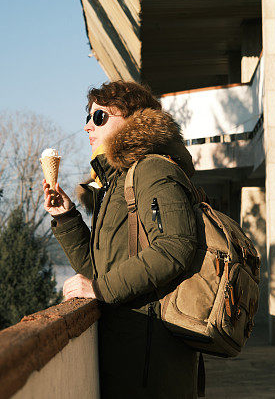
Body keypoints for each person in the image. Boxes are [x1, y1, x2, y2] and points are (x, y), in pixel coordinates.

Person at [42, 80, 200, 399]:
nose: (88, 125)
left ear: (132, 120)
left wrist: (101, 289)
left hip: (150, 360)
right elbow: (97, 268)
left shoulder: (152, 170)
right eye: (87, 116)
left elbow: (175, 246)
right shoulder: (116, 183)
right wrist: (66, 217)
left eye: (99, 117)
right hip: (128, 350)